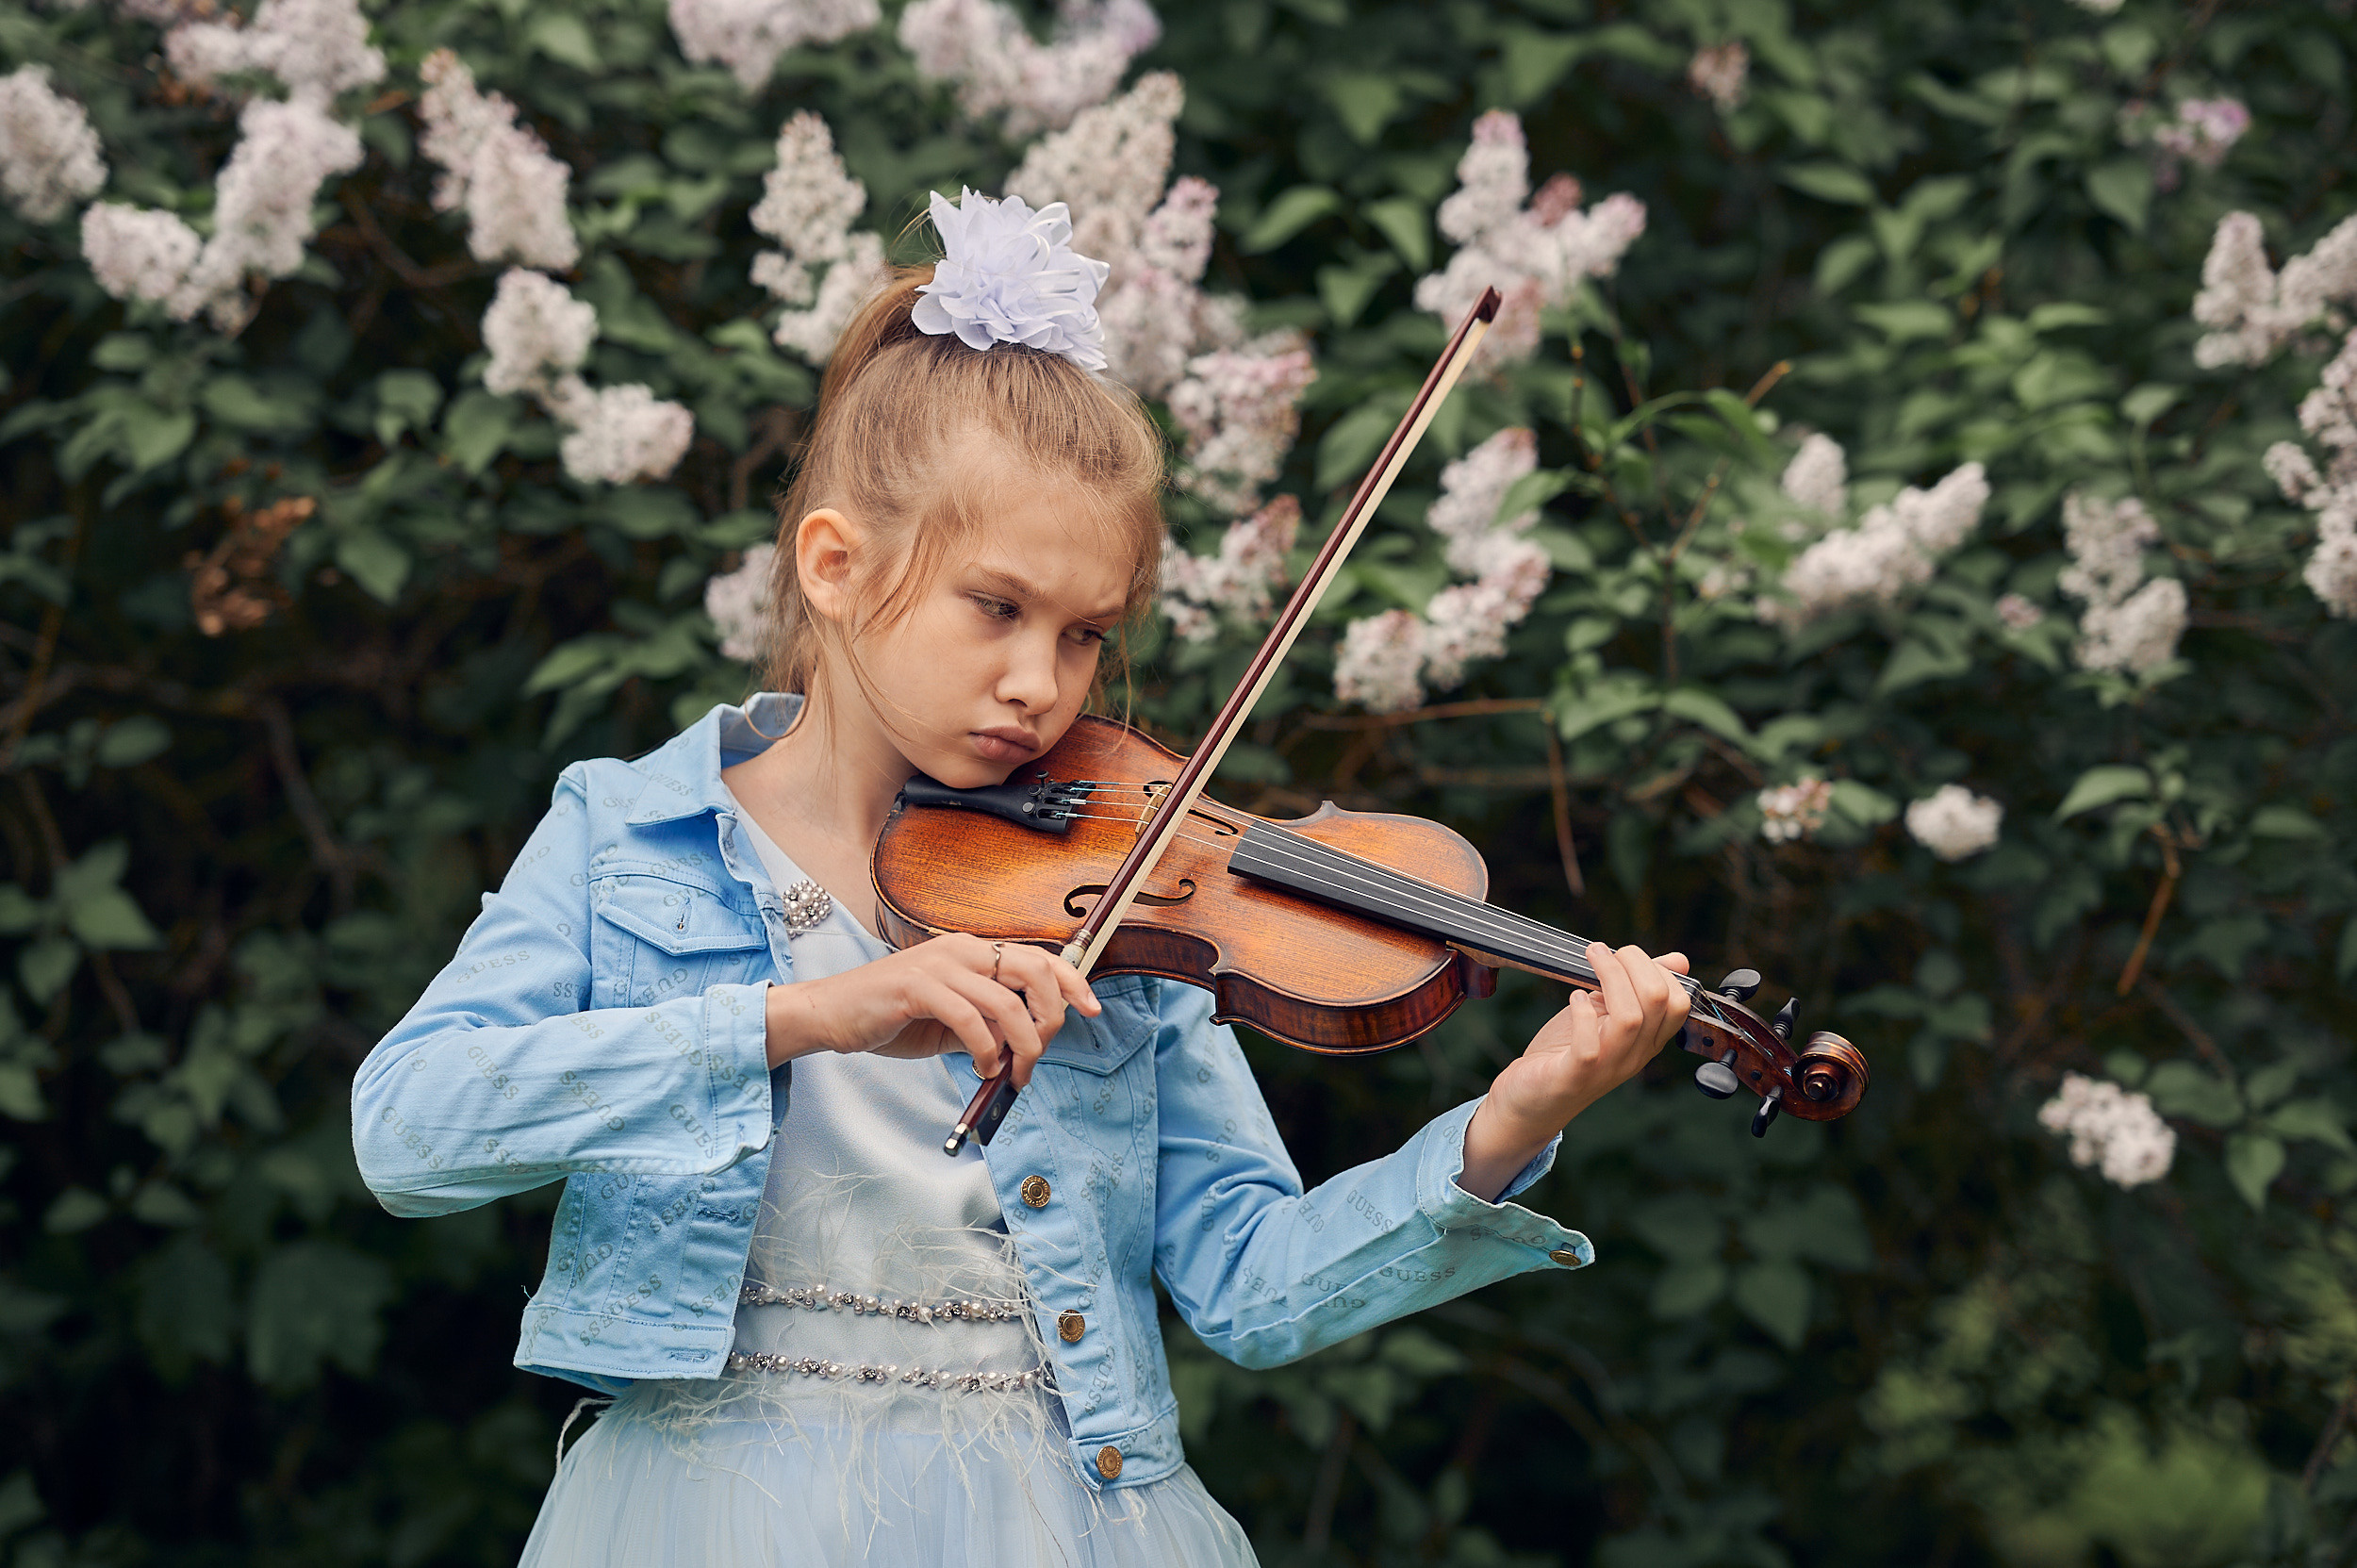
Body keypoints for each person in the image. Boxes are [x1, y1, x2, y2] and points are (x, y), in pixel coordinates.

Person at [351, 188, 1692, 1568]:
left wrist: (1508, 1125)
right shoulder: (629, 834)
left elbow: (1250, 1286)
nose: (1038, 687)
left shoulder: (1124, 888)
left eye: (1085, 635)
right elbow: (406, 1133)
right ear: (833, 562)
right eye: (996, 609)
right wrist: (810, 1015)